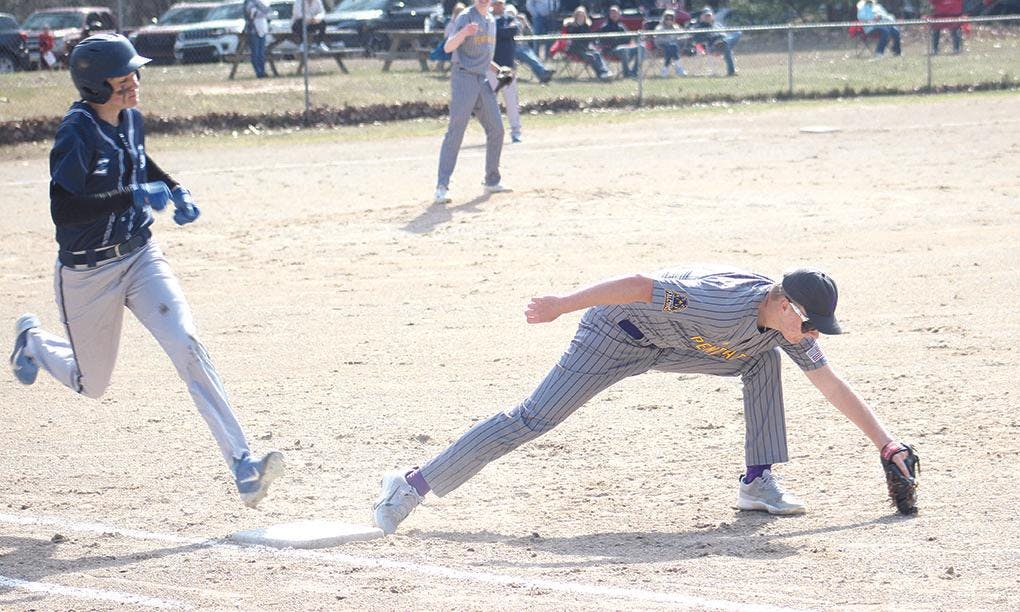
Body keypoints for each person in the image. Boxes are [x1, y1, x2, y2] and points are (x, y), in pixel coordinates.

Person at [371, 265, 918, 534]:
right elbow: (638, 285)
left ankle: (757, 482)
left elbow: (830, 384)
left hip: (674, 346)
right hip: (615, 334)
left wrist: (886, 444)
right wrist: (561, 304)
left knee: (760, 359)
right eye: (811, 322)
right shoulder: (714, 302)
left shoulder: (785, 330)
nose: (815, 333)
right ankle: (412, 484)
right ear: (783, 304)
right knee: (531, 419)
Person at [9, 34, 284, 509]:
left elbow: (138, 161)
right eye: (124, 77)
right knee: (92, 384)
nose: (135, 82)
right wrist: (132, 196)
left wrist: (175, 188)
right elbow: (65, 209)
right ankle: (33, 342)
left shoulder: (131, 118)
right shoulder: (76, 132)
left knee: (187, 345)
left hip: (141, 256)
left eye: (135, 73)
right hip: (88, 272)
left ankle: (244, 464)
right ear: (97, 85)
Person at [433, 0, 510, 205]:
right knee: (456, 132)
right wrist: (464, 32)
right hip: (463, 78)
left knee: (497, 129)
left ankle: (492, 180)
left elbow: (482, 57)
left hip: (482, 79)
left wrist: (498, 70)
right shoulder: (466, 16)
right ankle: (442, 186)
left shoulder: (491, 20)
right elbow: (449, 47)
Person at [490, 0, 523, 143]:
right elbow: (497, 33)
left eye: (500, 3)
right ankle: (493, 132)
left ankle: (516, 131)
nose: (498, 6)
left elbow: (512, 30)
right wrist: (500, 31)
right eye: (495, 3)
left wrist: (498, 31)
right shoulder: (488, 20)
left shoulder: (510, 19)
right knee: (490, 102)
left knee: (511, 101)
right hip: (491, 67)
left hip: (508, 68)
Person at [563, 6, 613, 80]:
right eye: (579, 15)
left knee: (597, 53)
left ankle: (605, 71)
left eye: (582, 15)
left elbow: (589, 38)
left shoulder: (586, 26)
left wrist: (593, 44)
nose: (581, 17)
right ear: (576, 16)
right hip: (575, 49)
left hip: (586, 47)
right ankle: (600, 74)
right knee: (590, 56)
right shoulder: (571, 26)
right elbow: (571, 40)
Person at [508, 6, 556, 83]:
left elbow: (530, 34)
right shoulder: (505, 23)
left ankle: (543, 73)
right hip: (511, 49)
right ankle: (543, 73)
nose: (511, 16)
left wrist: (525, 23)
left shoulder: (518, 23)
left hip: (522, 47)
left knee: (532, 57)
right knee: (528, 57)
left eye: (513, 14)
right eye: (509, 14)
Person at [689, 6, 740, 76]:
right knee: (726, 46)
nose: (708, 17)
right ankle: (731, 71)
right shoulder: (699, 27)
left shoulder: (717, 24)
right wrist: (704, 46)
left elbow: (724, 33)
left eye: (709, 16)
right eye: (706, 16)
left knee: (737, 33)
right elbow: (697, 41)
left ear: (712, 16)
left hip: (723, 42)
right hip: (712, 47)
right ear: (702, 17)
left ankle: (725, 42)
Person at [598, 5, 643, 78]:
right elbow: (604, 42)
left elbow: (628, 39)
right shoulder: (604, 27)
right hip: (611, 51)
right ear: (609, 14)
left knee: (641, 47)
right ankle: (626, 73)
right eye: (612, 13)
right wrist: (619, 40)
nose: (614, 14)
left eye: (616, 13)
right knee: (623, 49)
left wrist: (618, 39)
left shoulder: (621, 26)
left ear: (619, 14)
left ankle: (634, 71)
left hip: (624, 49)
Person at [244, 0, 272, 78]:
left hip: (262, 28)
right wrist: (262, 11)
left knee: (262, 52)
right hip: (253, 30)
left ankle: (263, 71)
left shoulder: (261, 1)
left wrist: (259, 6)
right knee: (255, 52)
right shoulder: (248, 2)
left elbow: (267, 10)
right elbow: (253, 14)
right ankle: (258, 72)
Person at [653, 9, 686, 77]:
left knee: (672, 47)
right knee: (672, 47)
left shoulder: (676, 27)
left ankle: (665, 69)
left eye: (671, 19)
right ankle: (679, 68)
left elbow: (681, 36)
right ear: (664, 19)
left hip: (673, 46)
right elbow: (657, 39)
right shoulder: (660, 28)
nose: (669, 21)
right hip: (662, 46)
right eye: (667, 19)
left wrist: (681, 38)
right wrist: (668, 41)